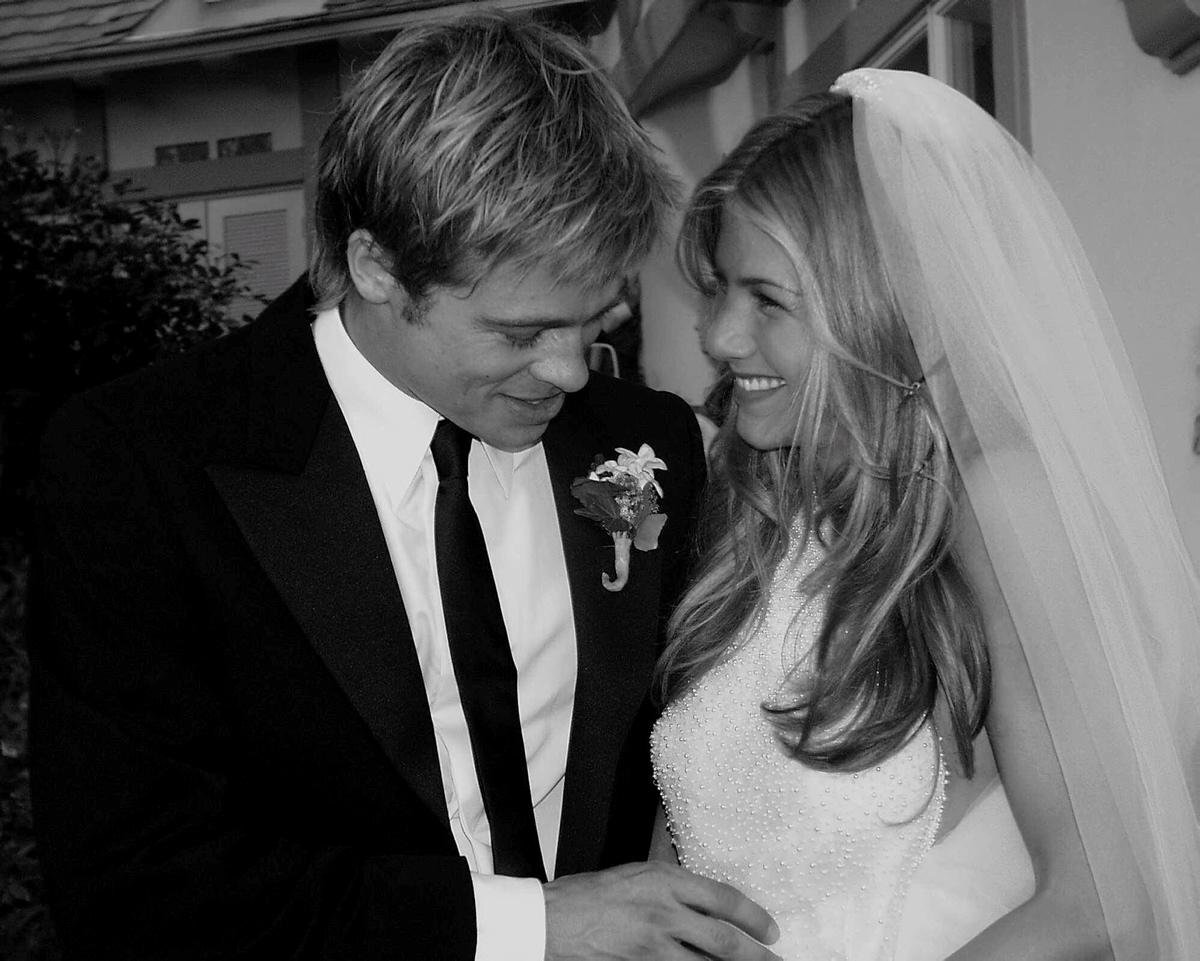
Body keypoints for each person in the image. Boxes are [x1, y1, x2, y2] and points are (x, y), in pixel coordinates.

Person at [29, 13, 782, 961]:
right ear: (376, 265)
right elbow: (135, 890)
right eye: (519, 333)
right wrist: (530, 929)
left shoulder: (646, 444)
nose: (569, 372)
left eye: (596, 317)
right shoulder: (140, 464)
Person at [651, 68, 1200, 961]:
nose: (719, 335)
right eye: (718, 289)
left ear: (880, 304)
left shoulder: (1003, 505)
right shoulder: (757, 511)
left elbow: (1105, 901)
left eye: (767, 300)